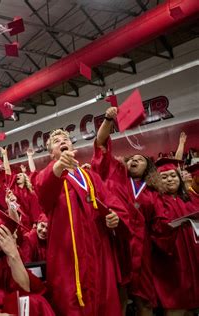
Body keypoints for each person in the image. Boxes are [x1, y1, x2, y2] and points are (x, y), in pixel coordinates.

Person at [35, 129, 126, 316]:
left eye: (66, 139)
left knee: (103, 301)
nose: (62, 141)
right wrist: (58, 167)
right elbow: (43, 195)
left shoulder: (90, 177)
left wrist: (114, 217)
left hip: (98, 249)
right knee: (73, 304)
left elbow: (111, 202)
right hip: (68, 254)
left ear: (72, 145)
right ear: (51, 153)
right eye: (56, 141)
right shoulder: (51, 176)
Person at [93, 107, 170, 316]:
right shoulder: (116, 177)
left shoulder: (153, 193)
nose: (135, 160)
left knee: (144, 301)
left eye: (140, 159)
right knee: (119, 300)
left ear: (148, 167)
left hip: (143, 252)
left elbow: (160, 227)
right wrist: (109, 119)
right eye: (131, 158)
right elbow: (100, 145)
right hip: (119, 246)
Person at [152, 158, 199, 315]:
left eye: (173, 175)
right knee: (177, 305)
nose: (170, 179)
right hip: (173, 261)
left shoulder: (189, 198)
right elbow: (156, 228)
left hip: (194, 254)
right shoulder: (156, 200)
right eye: (164, 177)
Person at [0, 146, 43, 227]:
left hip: (28, 223)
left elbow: (33, 172)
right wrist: (5, 155)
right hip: (14, 219)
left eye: (20, 175)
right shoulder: (12, 187)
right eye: (17, 175)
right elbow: (8, 170)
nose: (17, 176)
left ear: (25, 178)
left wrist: (29, 156)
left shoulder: (31, 192)